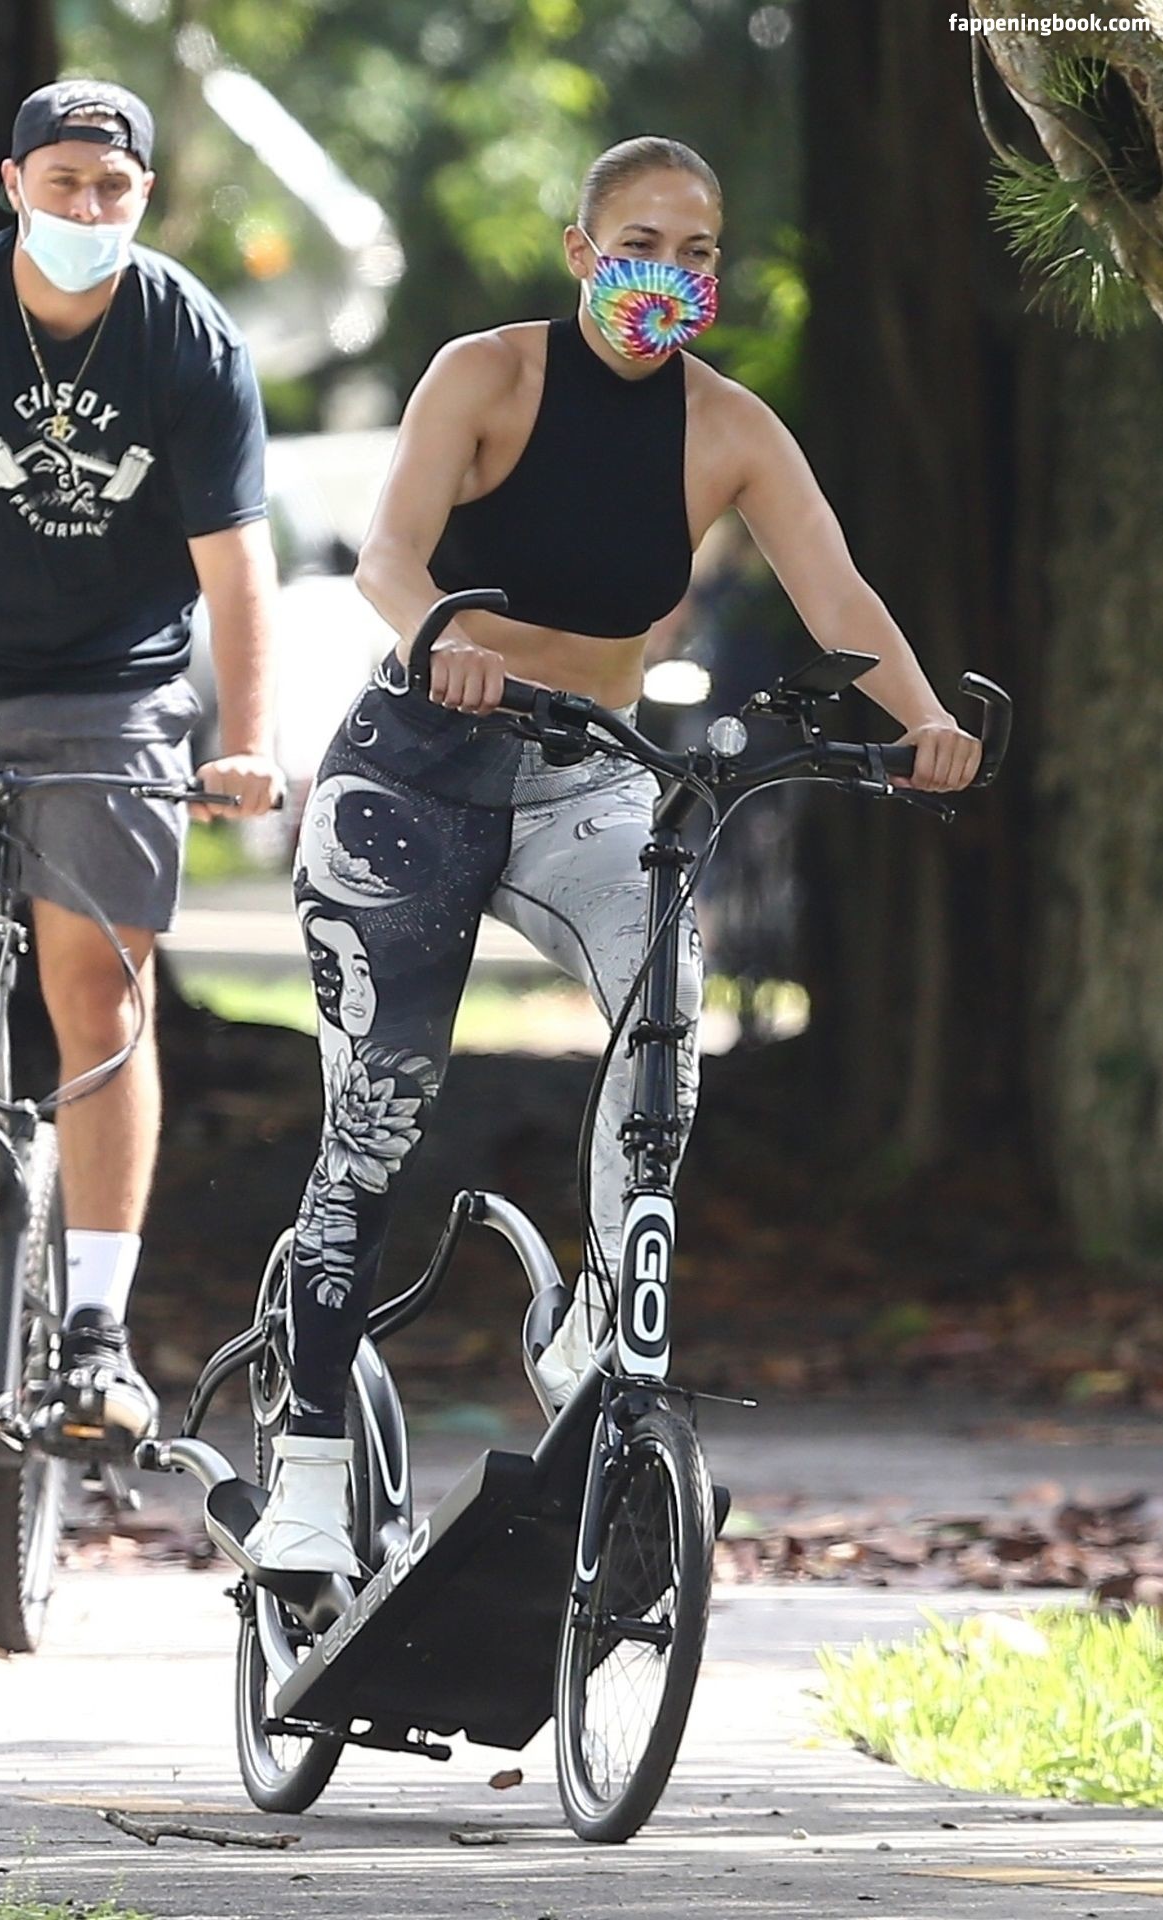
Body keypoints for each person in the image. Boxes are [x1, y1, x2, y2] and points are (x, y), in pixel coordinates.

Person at [250, 135, 981, 1575]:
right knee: (376, 1115)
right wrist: (439, 638)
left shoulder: (730, 428)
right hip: (412, 772)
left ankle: (594, 1327)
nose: (671, 274)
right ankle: (312, 1462)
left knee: (665, 1013)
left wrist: (927, 723)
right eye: (641, 244)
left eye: (698, 252)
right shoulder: (486, 374)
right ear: (583, 252)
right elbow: (389, 557)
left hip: (589, 774)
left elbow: (837, 596)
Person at [0, 79, 285, 1455]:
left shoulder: (187, 338)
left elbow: (237, 561)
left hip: (112, 689)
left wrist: (249, 739)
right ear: (13, 185)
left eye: (113, 188)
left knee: (98, 988)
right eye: (63, 183)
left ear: (144, 197)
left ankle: (95, 1337)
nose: (88, 209)